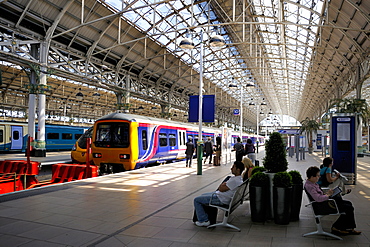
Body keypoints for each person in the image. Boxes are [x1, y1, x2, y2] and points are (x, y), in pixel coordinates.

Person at [304, 166, 361, 235]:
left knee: (348, 204)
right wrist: (328, 195)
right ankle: (338, 227)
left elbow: (319, 195)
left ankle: (348, 228)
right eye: (317, 176)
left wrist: (327, 193)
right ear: (312, 177)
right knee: (348, 208)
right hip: (322, 206)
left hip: (323, 203)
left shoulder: (313, 184)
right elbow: (318, 198)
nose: (319, 177)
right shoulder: (310, 186)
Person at [193, 161, 245, 227]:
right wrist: (223, 186)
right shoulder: (238, 179)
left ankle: (204, 220)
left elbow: (221, 189)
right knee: (202, 196)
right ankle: (205, 218)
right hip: (223, 196)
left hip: (221, 199)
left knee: (196, 200)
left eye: (233, 167)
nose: (231, 168)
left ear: (238, 169)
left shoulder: (234, 181)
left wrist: (222, 185)